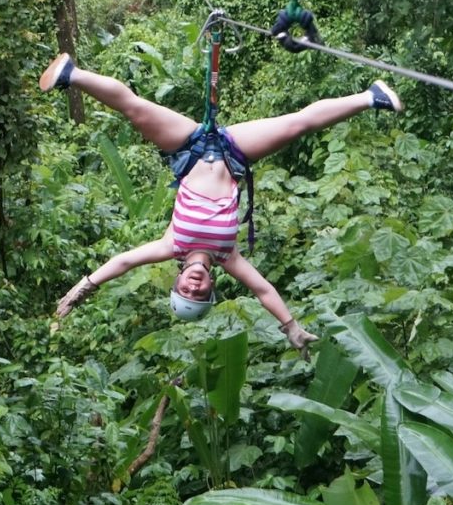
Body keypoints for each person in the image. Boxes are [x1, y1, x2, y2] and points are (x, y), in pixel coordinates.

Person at [43, 52, 402, 358]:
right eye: (199, 295)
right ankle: (371, 97)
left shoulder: (172, 245)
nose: (193, 287)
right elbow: (262, 290)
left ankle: (71, 74)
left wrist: (82, 289)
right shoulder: (228, 256)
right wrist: (290, 326)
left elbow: (122, 262)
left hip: (188, 148)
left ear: (178, 279)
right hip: (232, 153)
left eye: (185, 290)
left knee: (134, 109)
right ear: (211, 286)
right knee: (297, 124)